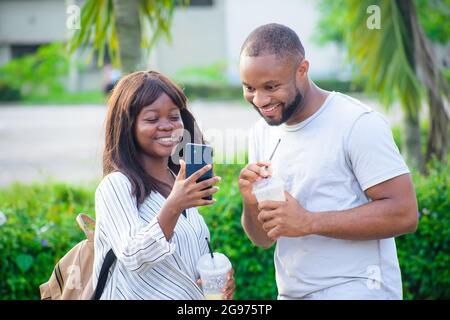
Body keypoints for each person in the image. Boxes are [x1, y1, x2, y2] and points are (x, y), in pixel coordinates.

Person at [238, 23, 418, 300]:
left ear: (302, 70)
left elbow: (404, 214)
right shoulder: (261, 132)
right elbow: (262, 239)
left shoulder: (356, 123)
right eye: (249, 87)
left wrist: (308, 221)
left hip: (358, 288)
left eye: (271, 86)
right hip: (291, 293)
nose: (260, 100)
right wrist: (250, 203)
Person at [93, 70, 235, 299]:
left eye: (174, 116)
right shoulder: (115, 186)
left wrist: (215, 276)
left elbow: (183, 261)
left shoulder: (180, 182)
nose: (167, 126)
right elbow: (133, 256)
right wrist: (174, 205)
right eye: (151, 118)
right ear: (127, 126)